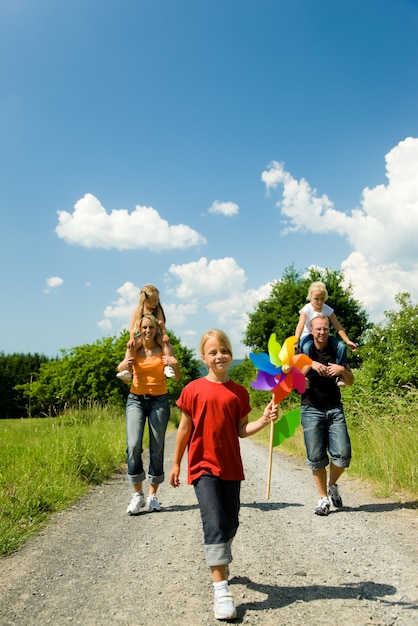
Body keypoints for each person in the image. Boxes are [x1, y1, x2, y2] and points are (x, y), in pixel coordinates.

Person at [169, 329, 278, 621]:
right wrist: (177, 463)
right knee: (215, 522)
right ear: (204, 357)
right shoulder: (192, 390)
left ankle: (221, 555)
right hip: (202, 467)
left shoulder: (239, 392)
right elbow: (183, 430)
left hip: (231, 466)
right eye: (213, 352)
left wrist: (264, 420)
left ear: (230, 354)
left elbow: (242, 430)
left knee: (231, 522)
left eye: (224, 351)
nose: (219, 356)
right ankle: (221, 590)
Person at [117, 313, 181, 515]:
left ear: (156, 329)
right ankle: (138, 494)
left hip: (159, 401)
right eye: (144, 328)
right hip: (135, 399)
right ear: (139, 329)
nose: (147, 331)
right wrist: (126, 362)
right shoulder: (134, 347)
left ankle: (153, 495)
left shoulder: (163, 347)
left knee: (157, 447)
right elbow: (121, 371)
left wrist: (175, 364)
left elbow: (176, 377)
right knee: (133, 445)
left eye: (150, 328)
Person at [299, 315, 354, 516]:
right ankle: (323, 500)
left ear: (329, 330)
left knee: (343, 455)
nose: (322, 332)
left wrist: (342, 370)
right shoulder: (304, 351)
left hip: (334, 408)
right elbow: (295, 382)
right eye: (318, 329)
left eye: (325, 329)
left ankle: (332, 485)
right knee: (316, 457)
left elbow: (350, 381)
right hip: (310, 408)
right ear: (311, 331)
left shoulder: (337, 350)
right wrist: (311, 364)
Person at [295, 281, 357, 386]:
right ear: (310, 296)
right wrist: (296, 340)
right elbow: (300, 325)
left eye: (322, 299)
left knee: (341, 347)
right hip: (308, 335)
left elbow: (338, 326)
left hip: (324, 335)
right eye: (316, 298)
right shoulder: (307, 309)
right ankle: (306, 376)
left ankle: (339, 376)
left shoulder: (327, 309)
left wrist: (347, 341)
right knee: (306, 348)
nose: (319, 302)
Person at [117, 284, 175, 384]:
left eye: (157, 300)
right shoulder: (138, 310)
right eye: (154, 300)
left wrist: (164, 334)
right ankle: (127, 370)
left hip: (155, 334)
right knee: (131, 346)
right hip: (141, 336)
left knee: (165, 342)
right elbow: (132, 326)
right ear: (146, 300)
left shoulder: (157, 310)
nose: (156, 302)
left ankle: (167, 367)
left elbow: (160, 323)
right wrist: (131, 338)